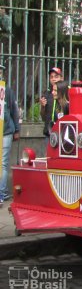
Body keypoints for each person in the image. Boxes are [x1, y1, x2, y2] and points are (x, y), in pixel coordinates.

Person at [0, 64, 20, 204]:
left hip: (6, 131)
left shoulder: (6, 90)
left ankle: (1, 193)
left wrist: (17, 129)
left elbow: (14, 110)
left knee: (3, 163)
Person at [40, 67, 63, 139]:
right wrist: (43, 106)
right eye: (51, 77)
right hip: (50, 132)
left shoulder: (67, 93)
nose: (53, 79)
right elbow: (43, 116)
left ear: (61, 78)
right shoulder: (46, 93)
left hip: (62, 132)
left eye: (56, 77)